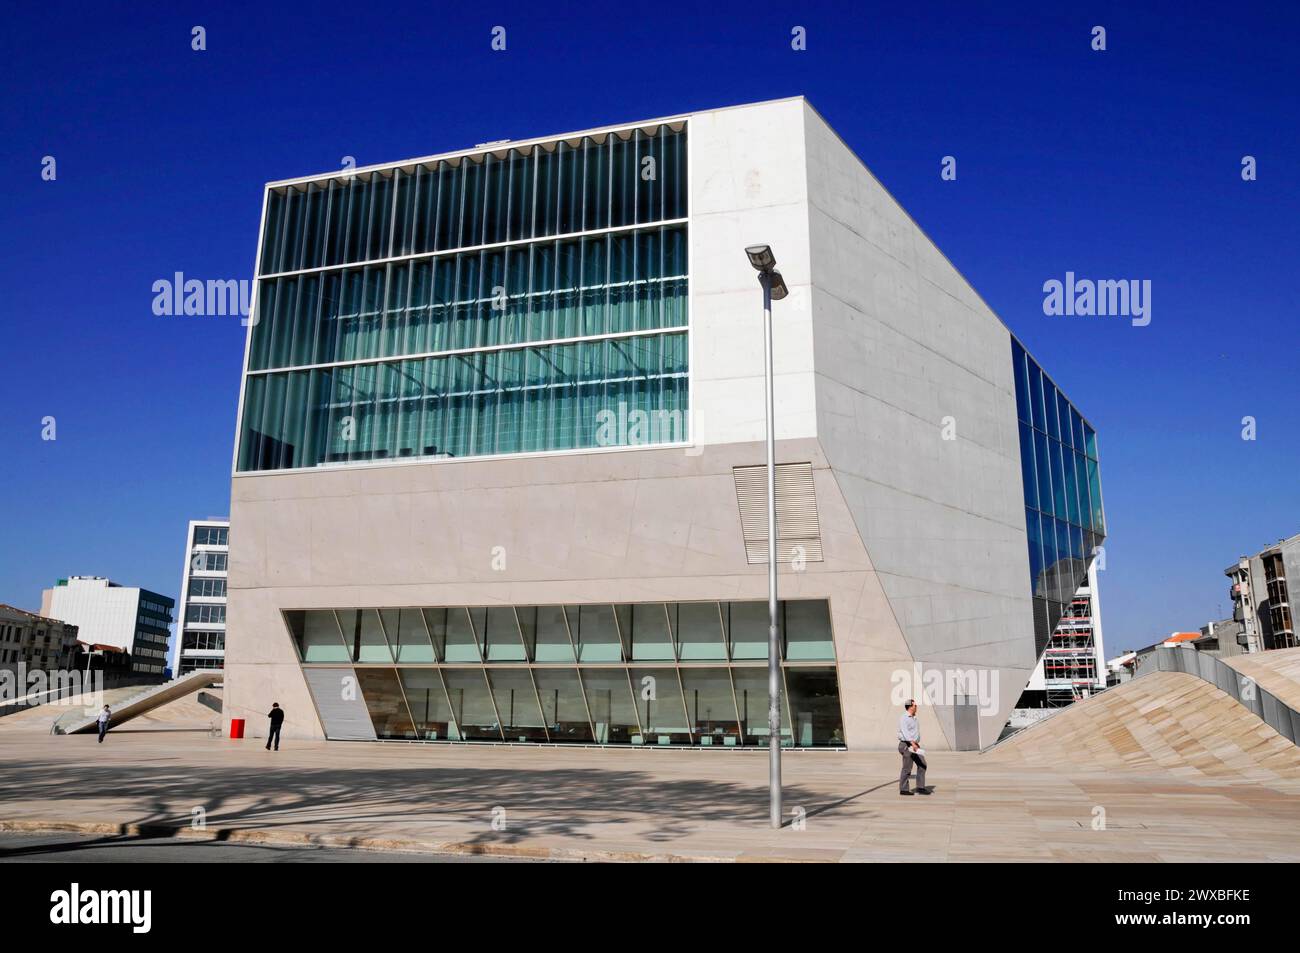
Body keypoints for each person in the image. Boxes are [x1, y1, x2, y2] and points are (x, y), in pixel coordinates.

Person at [898, 699, 929, 795]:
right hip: (906, 745)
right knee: (907, 767)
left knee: (922, 764)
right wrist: (912, 743)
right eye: (915, 705)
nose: (916, 707)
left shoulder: (914, 717)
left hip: (914, 744)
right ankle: (903, 789)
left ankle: (920, 787)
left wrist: (916, 743)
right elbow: (905, 733)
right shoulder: (904, 718)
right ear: (910, 706)